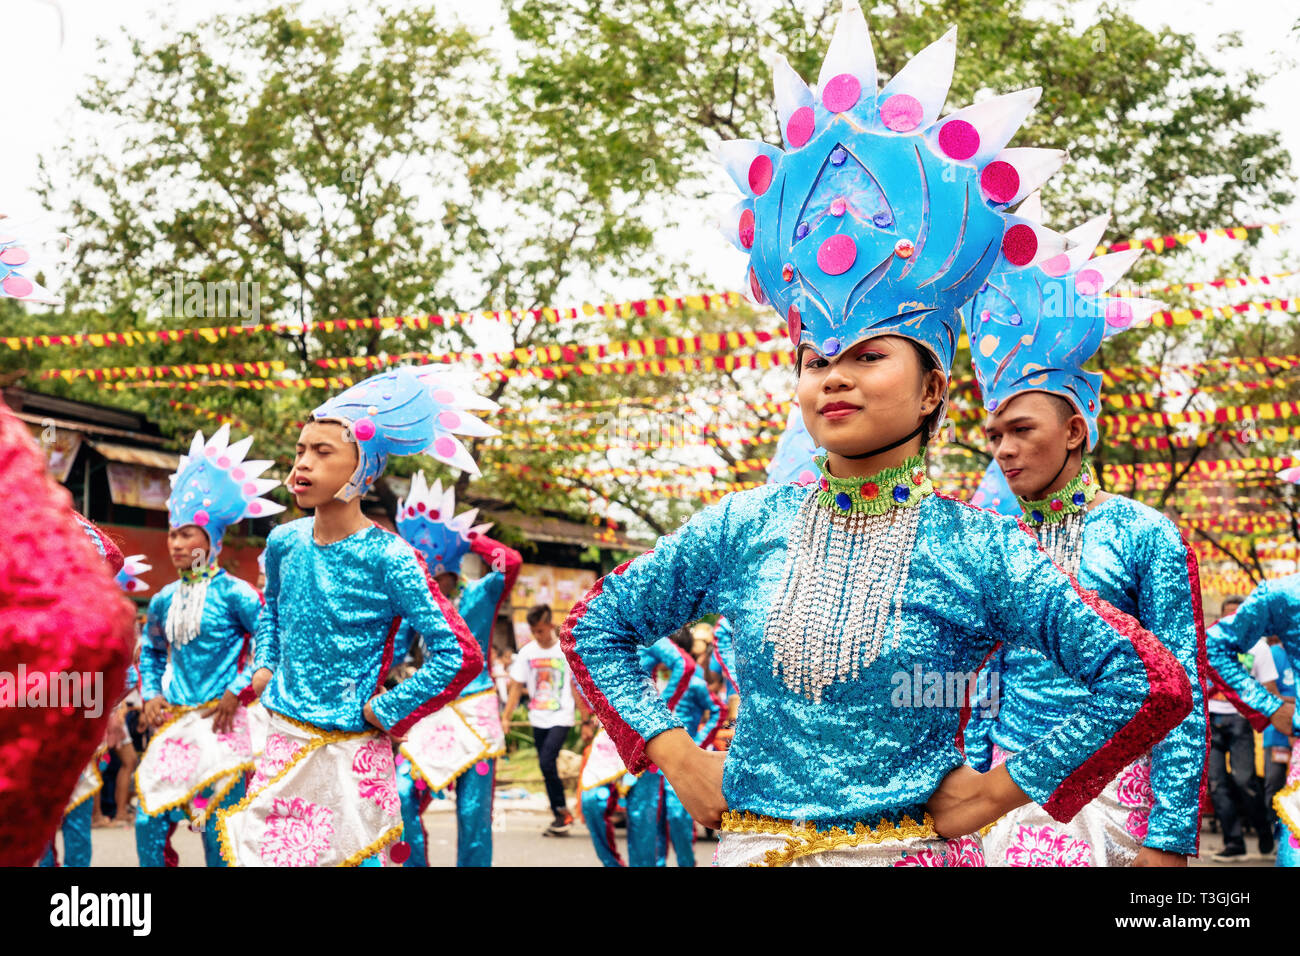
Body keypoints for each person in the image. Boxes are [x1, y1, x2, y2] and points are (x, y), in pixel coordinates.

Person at [560, 0, 1191, 867]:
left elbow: (1148, 682)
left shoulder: (976, 548)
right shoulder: (744, 524)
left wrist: (994, 793)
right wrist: (674, 754)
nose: (834, 377)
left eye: (867, 355)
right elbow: (597, 626)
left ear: (934, 387)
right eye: (816, 358)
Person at [964, 199, 1208, 867]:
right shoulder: (988, 540)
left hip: (1118, 808)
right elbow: (984, 685)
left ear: (1074, 431)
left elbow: (1183, 693)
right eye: (995, 436)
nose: (1004, 452)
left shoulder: (1144, 535)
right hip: (1004, 806)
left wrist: (1168, 838)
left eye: (1023, 432)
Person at [216, 367, 492, 866]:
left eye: (323, 453)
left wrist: (388, 709)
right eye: (301, 450)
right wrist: (265, 664)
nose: (302, 464)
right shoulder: (283, 541)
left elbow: (460, 654)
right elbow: (271, 612)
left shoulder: (391, 557)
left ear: (363, 470)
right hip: (284, 740)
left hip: (352, 753)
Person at [133, 425, 280, 867]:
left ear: (211, 541)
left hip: (224, 724)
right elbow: (152, 650)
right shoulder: (161, 600)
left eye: (186, 535)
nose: (176, 544)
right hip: (176, 723)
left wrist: (241, 688)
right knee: (147, 820)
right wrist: (151, 693)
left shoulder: (236, 594)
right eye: (172, 534)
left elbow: (269, 641)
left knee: (216, 833)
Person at [392, 472, 522, 866]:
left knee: (473, 815)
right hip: (431, 712)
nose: (425, 578)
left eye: (431, 571)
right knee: (399, 794)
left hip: (476, 716)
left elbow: (510, 563)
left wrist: (467, 537)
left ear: (448, 569)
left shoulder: (481, 595)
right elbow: (394, 653)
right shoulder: (418, 604)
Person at [1206, 562, 1300, 865]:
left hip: (1239, 722)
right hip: (1220, 720)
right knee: (1219, 783)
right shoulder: (1284, 594)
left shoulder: (1260, 650)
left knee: (1246, 780)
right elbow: (1213, 648)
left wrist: (1269, 703)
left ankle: (1259, 831)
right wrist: (1269, 706)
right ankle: (1235, 841)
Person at [503, 604, 583, 835]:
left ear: (550, 625)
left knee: (547, 761)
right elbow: (516, 688)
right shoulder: (527, 653)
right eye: (534, 631)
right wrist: (506, 718)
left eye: (541, 630)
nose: (538, 635)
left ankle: (561, 811)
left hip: (561, 716)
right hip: (537, 717)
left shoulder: (565, 650)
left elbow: (575, 686)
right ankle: (559, 815)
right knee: (546, 766)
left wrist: (586, 718)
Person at [1264, 636, 1294, 850]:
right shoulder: (1274, 653)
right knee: (1274, 786)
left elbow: (1277, 695)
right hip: (1278, 733)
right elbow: (1268, 693)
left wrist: (1284, 700)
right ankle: (1275, 837)